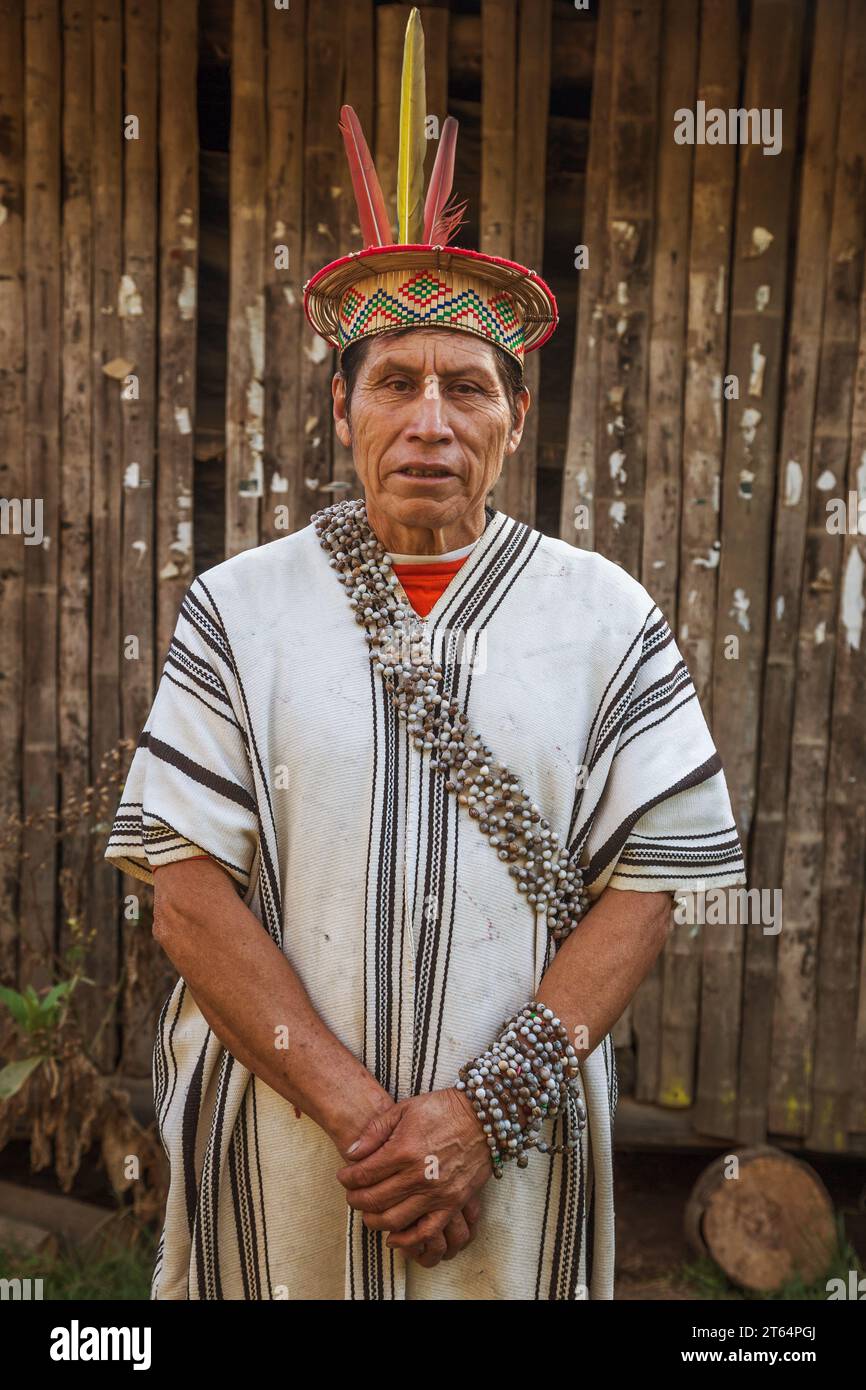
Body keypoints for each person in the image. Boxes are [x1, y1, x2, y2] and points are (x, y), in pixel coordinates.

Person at [105, 9, 746, 1300]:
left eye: (469, 385)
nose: (430, 421)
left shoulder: (605, 617)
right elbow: (183, 886)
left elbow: (647, 885)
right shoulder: (240, 609)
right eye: (395, 381)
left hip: (504, 1159)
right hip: (288, 1144)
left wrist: (476, 1113)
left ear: (516, 416)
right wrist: (361, 1115)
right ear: (339, 406)